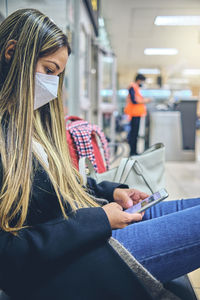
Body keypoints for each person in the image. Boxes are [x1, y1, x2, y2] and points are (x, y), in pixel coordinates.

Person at [0, 8, 200, 300]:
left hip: (87, 235)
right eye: (48, 69)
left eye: (57, 74)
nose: (52, 86)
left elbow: (58, 186)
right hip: (69, 261)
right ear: (11, 52)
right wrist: (99, 221)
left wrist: (112, 190)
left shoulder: (31, 126)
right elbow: (9, 254)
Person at [124, 73, 150, 155]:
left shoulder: (136, 88)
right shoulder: (133, 87)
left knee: (135, 134)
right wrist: (144, 101)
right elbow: (134, 100)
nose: (142, 83)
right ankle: (132, 152)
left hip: (137, 114)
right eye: (142, 81)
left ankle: (134, 151)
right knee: (134, 134)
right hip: (134, 114)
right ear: (139, 80)